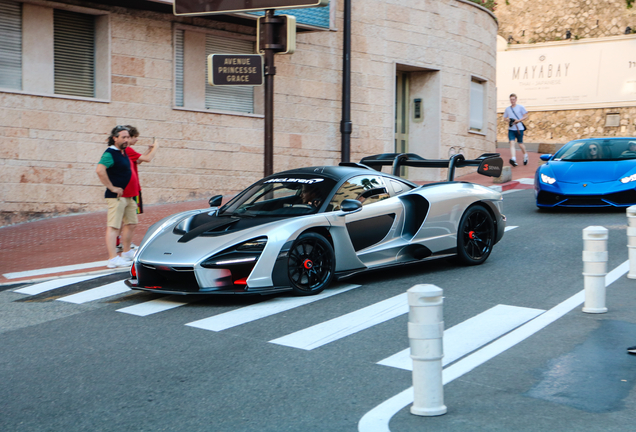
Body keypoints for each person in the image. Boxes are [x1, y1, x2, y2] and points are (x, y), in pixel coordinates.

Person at [95, 126, 139, 269]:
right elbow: (100, 170)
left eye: (128, 137)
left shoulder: (123, 152)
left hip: (129, 196)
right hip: (116, 197)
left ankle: (126, 253)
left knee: (131, 223)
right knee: (113, 226)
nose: (126, 140)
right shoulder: (110, 153)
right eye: (123, 137)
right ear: (115, 138)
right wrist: (112, 187)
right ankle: (113, 259)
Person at [115, 126, 159, 252]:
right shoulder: (127, 149)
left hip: (128, 188)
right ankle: (125, 246)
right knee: (130, 220)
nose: (137, 139)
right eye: (134, 137)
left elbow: (138, 161)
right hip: (131, 189)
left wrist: (147, 150)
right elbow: (148, 159)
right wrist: (156, 147)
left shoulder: (126, 151)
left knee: (124, 218)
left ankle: (118, 243)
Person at [503, 93, 529, 167]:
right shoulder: (507, 109)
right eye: (511, 99)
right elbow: (505, 118)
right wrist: (509, 121)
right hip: (511, 128)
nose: (512, 101)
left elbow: (526, 115)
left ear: (516, 99)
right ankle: (513, 159)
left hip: (519, 128)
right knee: (512, 143)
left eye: (513, 99)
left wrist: (518, 120)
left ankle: (525, 155)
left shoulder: (520, 107)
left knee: (520, 144)